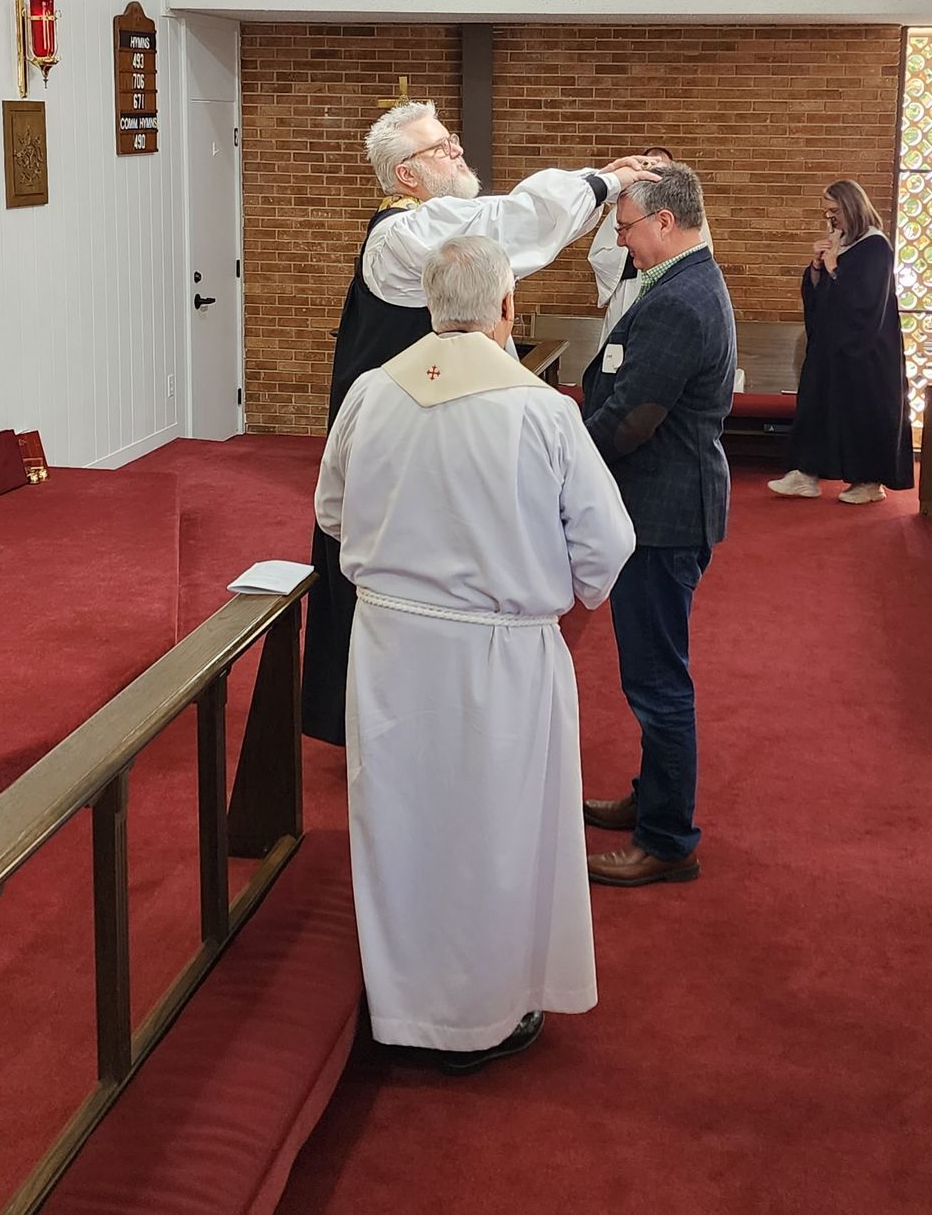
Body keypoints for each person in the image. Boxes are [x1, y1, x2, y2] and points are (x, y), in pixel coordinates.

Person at [315, 237, 635, 1071]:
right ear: (505, 309)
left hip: (387, 648)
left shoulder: (369, 394)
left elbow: (330, 511)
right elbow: (607, 545)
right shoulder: (540, 410)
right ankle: (483, 1016)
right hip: (499, 655)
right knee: (493, 832)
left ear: (428, 305)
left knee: (401, 826)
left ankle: (405, 1007)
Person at [302, 99, 659, 744]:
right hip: (401, 428)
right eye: (439, 148)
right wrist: (603, 182)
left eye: (452, 140)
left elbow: (505, 227)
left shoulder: (428, 224)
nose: (456, 151)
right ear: (405, 175)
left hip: (431, 432)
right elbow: (508, 223)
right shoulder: (399, 233)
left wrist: (600, 187)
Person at [580, 164, 736, 887]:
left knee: (656, 681)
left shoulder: (679, 299)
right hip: (662, 501)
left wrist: (566, 459)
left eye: (626, 227)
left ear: (665, 224)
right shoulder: (683, 282)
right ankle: (652, 799)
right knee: (651, 671)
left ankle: (667, 839)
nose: (622, 240)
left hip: (662, 511)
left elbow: (636, 416)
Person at [768, 179, 913, 505]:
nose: (830, 219)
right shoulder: (843, 242)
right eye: (826, 212)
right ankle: (805, 474)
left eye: (835, 211)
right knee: (815, 403)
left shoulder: (876, 246)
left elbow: (866, 301)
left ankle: (869, 482)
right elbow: (821, 297)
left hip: (868, 353)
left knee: (864, 413)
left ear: (851, 207)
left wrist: (834, 267)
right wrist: (817, 269)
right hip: (831, 350)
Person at [587, 147, 716, 343]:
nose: (620, 239)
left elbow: (699, 258)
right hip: (629, 291)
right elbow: (600, 255)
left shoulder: (688, 211)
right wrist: (630, 257)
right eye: (650, 165)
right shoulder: (627, 206)